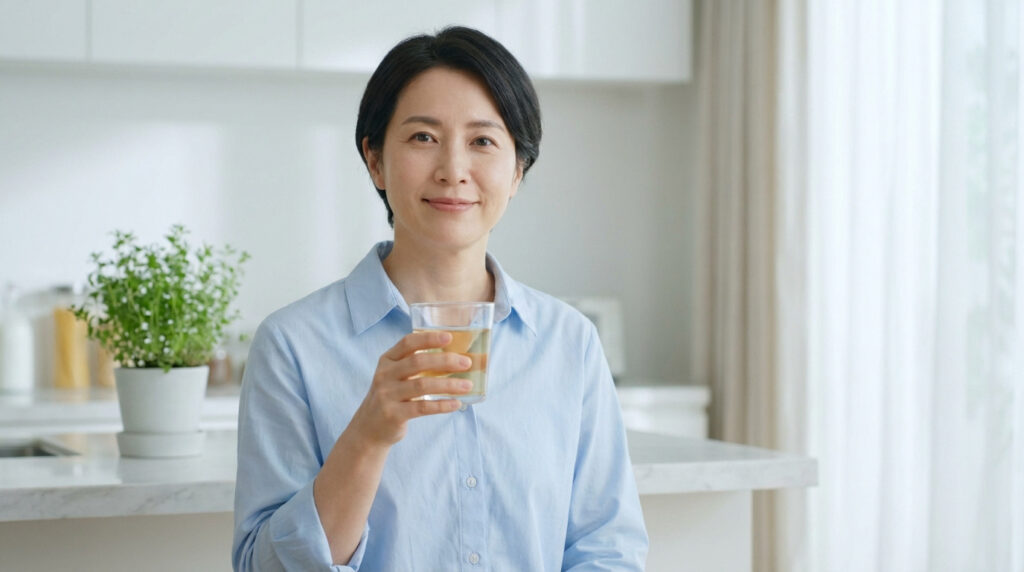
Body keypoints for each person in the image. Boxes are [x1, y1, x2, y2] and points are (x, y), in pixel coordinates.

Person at [232, 26, 648, 571]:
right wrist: (368, 437)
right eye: (423, 137)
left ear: (517, 170)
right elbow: (262, 567)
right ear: (375, 160)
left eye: (482, 141)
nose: (454, 170)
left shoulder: (568, 343)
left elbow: (607, 549)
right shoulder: (292, 346)